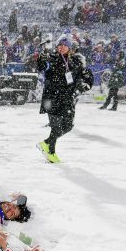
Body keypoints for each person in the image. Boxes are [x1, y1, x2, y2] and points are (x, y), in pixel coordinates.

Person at [37, 34, 93, 163]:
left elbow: (85, 75)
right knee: (55, 127)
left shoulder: (76, 61)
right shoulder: (52, 58)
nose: (61, 47)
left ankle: (47, 144)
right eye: (59, 45)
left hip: (68, 99)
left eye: (64, 45)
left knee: (68, 126)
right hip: (53, 98)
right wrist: (41, 60)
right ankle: (51, 153)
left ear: (69, 47)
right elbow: (42, 67)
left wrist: (84, 84)